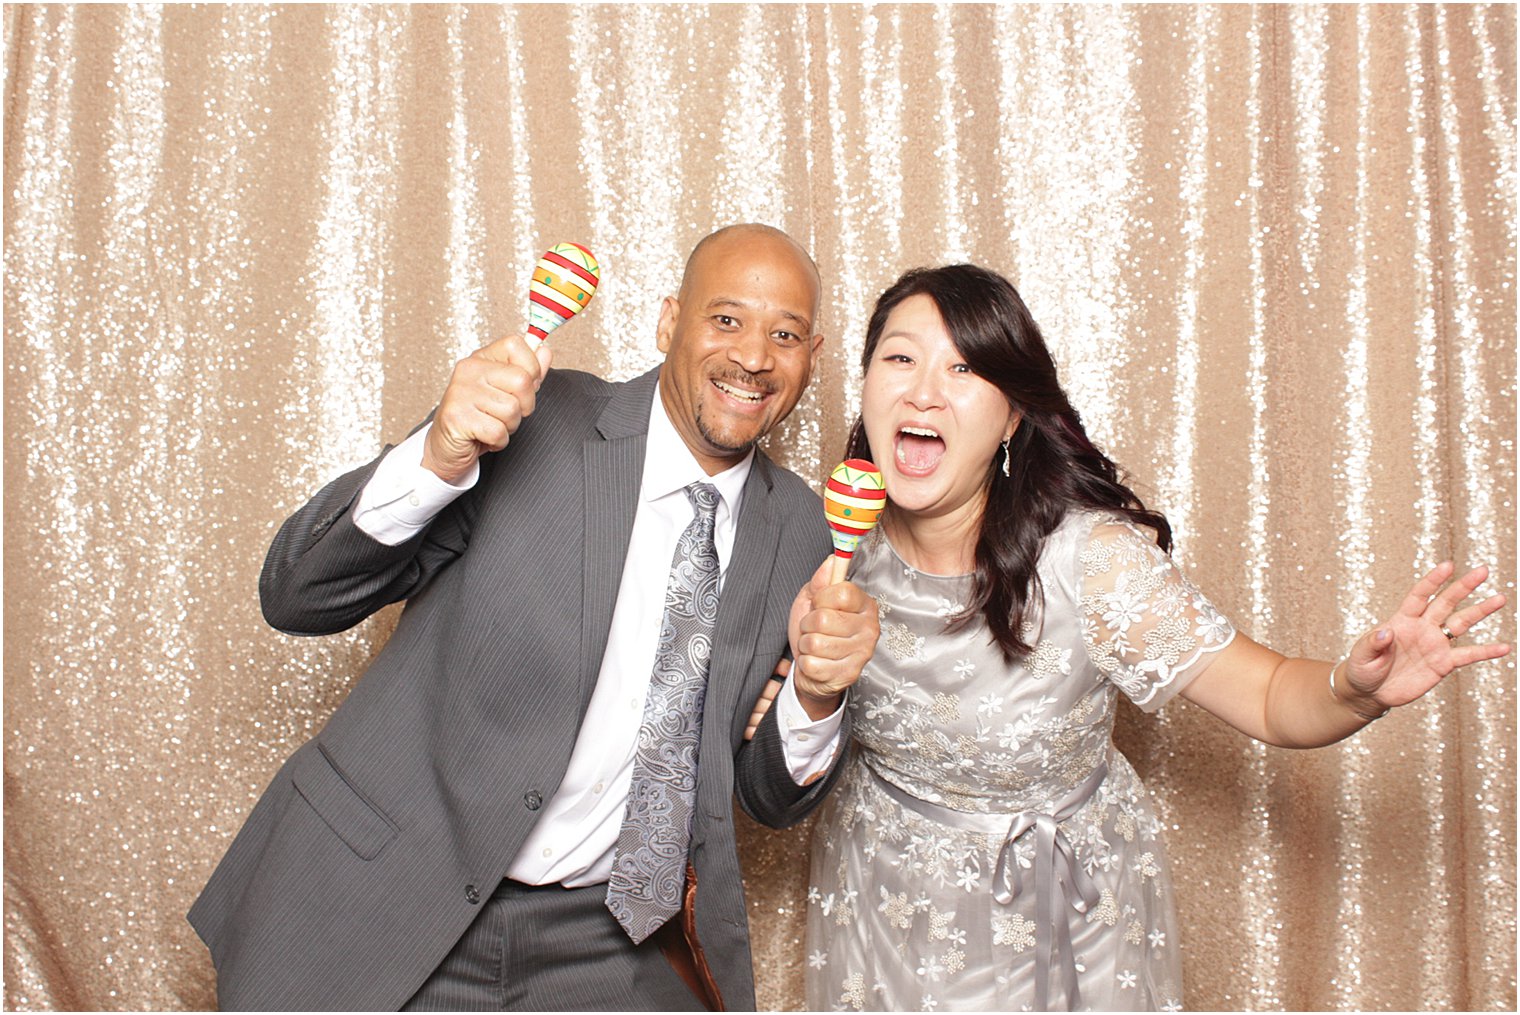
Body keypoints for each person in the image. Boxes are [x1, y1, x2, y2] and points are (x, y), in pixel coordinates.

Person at [750, 263, 1509, 1012]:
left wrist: (1356, 687)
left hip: (1069, 911)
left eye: (964, 367)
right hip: (884, 897)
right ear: (867, 384)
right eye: (901, 358)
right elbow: (761, 719)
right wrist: (788, 694)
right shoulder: (822, 542)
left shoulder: (1091, 560)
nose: (923, 389)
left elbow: (1275, 698)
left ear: (1013, 415)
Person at [188, 224, 879, 1011]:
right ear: (668, 323)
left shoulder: (802, 530)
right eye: (726, 320)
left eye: (784, 334)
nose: (754, 355)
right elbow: (298, 594)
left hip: (611, 939)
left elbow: (767, 796)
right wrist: (438, 455)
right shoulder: (538, 420)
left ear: (812, 358)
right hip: (396, 893)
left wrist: (818, 696)